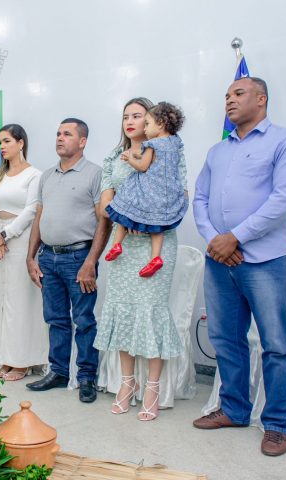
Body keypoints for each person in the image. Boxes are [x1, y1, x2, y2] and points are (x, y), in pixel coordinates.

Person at [192, 77, 286, 457]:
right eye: (227, 95)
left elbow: (284, 199)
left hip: (266, 261)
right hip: (219, 260)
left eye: (238, 94)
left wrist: (235, 237)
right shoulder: (217, 151)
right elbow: (200, 199)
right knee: (226, 339)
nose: (229, 100)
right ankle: (234, 410)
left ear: (261, 99)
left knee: (276, 344)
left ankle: (276, 424)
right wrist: (216, 240)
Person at [93, 98, 185, 421]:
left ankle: (153, 387)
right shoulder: (113, 157)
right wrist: (129, 214)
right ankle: (127, 383)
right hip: (124, 242)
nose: (130, 121)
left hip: (156, 240)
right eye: (125, 116)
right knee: (122, 309)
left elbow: (180, 193)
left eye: (138, 116)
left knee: (150, 311)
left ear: (153, 121)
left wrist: (149, 217)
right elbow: (105, 206)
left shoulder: (169, 150)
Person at [25, 118, 110, 403]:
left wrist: (91, 262)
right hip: (48, 257)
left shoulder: (95, 174)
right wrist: (31, 256)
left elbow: (104, 221)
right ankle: (59, 372)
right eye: (58, 133)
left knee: (84, 320)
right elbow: (39, 217)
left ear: (82, 141)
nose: (60, 138)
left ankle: (86, 377)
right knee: (56, 319)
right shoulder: (47, 176)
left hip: (79, 258)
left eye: (67, 134)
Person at [0, 124, 48, 381]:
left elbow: (32, 210)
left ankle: (21, 361)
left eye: (7, 141)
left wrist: (6, 234)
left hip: (20, 241)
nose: (2, 146)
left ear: (21, 143)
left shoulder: (34, 175)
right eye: (0, 141)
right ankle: (2, 358)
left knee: (20, 301)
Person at [105, 102, 188, 278]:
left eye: (145, 122)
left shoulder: (152, 144)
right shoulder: (175, 144)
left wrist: (130, 159)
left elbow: (143, 166)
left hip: (148, 194)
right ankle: (155, 257)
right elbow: (158, 162)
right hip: (165, 198)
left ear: (160, 123)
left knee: (124, 204)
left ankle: (117, 244)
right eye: (125, 117)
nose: (144, 128)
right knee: (158, 226)